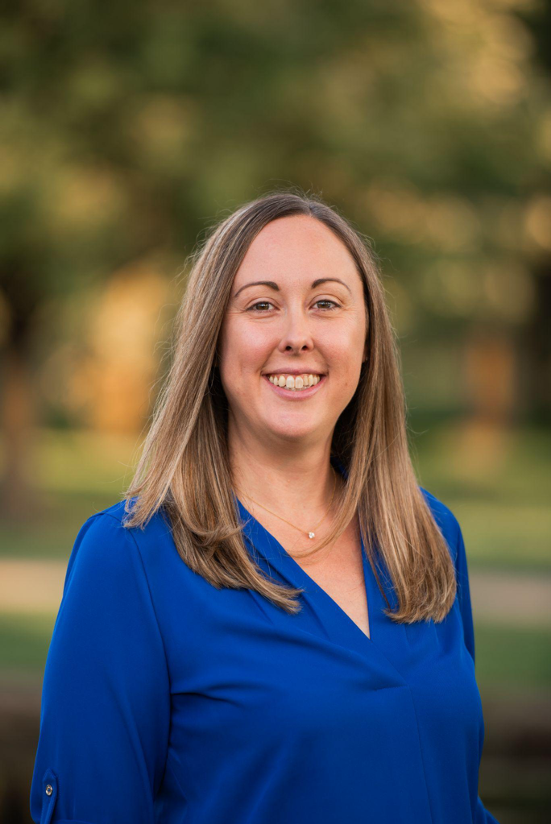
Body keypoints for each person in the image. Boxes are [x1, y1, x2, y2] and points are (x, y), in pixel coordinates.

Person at [30, 190, 500, 823]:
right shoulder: (130, 560)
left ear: (367, 342)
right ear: (212, 339)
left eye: (327, 303)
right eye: (261, 305)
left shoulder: (426, 535)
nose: (297, 335)